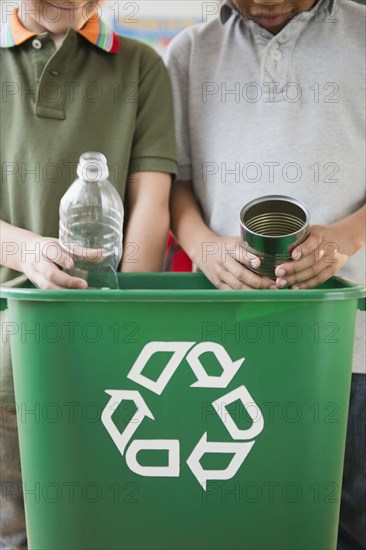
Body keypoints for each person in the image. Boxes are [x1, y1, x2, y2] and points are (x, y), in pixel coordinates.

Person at [166, 0, 365, 548]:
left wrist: (345, 237)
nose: (266, 3)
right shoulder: (189, 53)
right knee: (239, 523)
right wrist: (205, 247)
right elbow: (174, 184)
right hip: (230, 353)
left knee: (353, 519)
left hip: (355, 351)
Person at [0, 1, 177, 546]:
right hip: (9, 357)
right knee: (17, 525)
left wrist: (121, 320)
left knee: (108, 525)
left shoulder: (141, 66)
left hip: (113, 357)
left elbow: (151, 204)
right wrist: (27, 251)